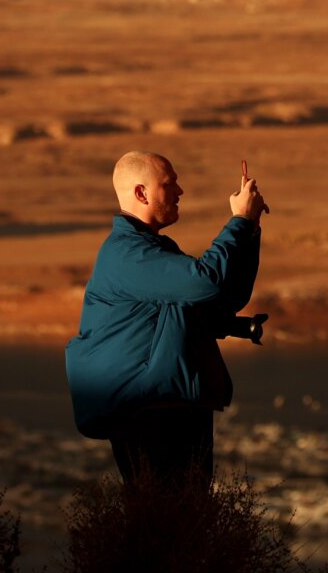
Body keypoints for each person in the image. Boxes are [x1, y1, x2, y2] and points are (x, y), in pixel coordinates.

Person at [65, 151, 267, 488]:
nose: (180, 191)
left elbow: (223, 296)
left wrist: (251, 228)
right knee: (167, 520)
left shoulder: (152, 249)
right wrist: (239, 222)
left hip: (171, 406)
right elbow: (206, 280)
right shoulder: (128, 254)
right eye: (169, 184)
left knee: (186, 520)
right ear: (141, 193)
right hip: (148, 413)